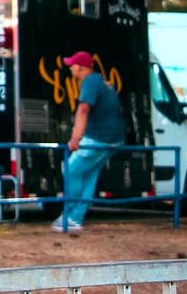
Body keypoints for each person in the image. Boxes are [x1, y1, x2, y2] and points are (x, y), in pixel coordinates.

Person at [52, 50, 125, 234]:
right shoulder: (102, 82)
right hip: (114, 139)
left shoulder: (90, 82)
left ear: (81, 67)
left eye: (72, 65)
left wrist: (75, 139)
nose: (70, 68)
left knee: (71, 169)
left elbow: (83, 110)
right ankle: (76, 217)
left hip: (99, 138)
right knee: (90, 174)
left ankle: (69, 216)